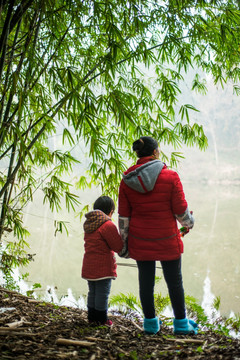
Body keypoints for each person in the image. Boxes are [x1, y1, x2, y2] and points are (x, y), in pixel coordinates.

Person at [118, 136, 198, 335]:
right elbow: (181, 211)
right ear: (155, 153)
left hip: (140, 240)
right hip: (167, 241)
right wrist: (189, 223)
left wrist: (124, 243)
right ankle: (181, 324)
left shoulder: (127, 181)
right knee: (175, 281)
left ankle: (151, 325)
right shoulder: (171, 176)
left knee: (145, 282)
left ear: (138, 154)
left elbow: (124, 217)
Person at [82, 195, 123, 326]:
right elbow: (118, 246)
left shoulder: (89, 224)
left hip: (89, 265)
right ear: (110, 211)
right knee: (102, 293)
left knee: (93, 292)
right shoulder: (107, 225)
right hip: (103, 267)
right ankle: (101, 319)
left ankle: (92, 317)